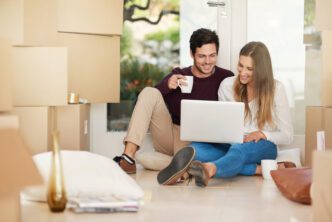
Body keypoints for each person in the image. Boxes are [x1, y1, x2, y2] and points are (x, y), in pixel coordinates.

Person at [157, 41, 294, 186]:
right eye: (240, 66)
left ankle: (210, 169)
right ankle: (256, 169)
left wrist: (264, 134)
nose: (242, 72)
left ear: (261, 70)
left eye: (250, 69)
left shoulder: (277, 89)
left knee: (238, 150)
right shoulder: (227, 85)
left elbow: (288, 136)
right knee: (195, 149)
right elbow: (222, 125)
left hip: (262, 146)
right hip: (230, 145)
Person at [113, 28, 234, 174]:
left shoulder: (226, 77)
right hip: (173, 135)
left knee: (155, 158)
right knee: (148, 91)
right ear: (192, 54)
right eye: (202, 56)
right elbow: (150, 99)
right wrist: (167, 85)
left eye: (212, 55)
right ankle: (128, 158)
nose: (208, 62)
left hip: (202, 142)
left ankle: (178, 165)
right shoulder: (179, 75)